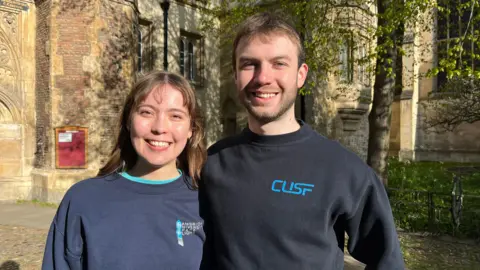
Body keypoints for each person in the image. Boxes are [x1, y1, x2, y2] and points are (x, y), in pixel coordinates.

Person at [199, 12, 405, 269]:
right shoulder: (212, 163)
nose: (263, 77)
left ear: (300, 74)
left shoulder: (342, 169)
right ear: (236, 74)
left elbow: (387, 261)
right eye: (249, 64)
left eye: (279, 63)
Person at [42, 71, 206, 269]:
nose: (160, 127)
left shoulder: (207, 201)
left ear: (191, 129)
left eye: (176, 116)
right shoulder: (84, 200)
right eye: (147, 112)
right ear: (129, 121)